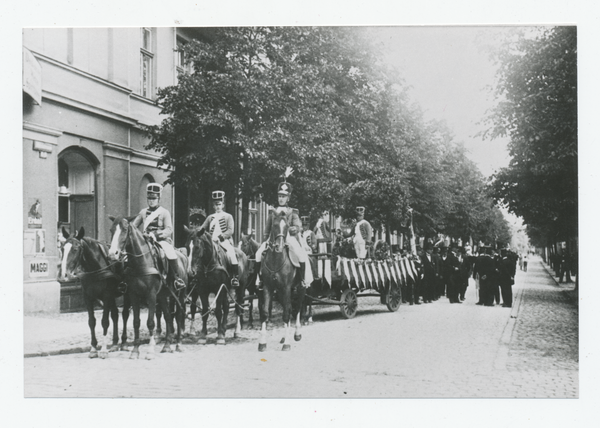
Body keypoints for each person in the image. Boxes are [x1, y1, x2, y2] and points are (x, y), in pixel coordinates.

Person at [254, 177, 313, 288]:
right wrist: (264, 242)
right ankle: (260, 279)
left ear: (288, 198)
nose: (281, 199)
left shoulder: (293, 212)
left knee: (301, 255)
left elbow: (298, 226)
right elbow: (267, 230)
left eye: (283, 196)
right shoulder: (273, 212)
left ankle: (302, 280)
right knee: (258, 254)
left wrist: (293, 229)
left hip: (289, 238)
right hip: (274, 238)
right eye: (279, 196)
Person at [132, 183, 185, 290]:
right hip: (145, 241)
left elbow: (169, 229)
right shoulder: (143, 212)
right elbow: (133, 226)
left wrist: (155, 235)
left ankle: (176, 279)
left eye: (154, 198)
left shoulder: (164, 212)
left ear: (158, 198)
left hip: (161, 241)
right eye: (149, 198)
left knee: (169, 253)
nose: (151, 201)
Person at [198, 191, 239, 286]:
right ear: (213, 206)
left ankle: (234, 277)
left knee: (231, 254)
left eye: (219, 204)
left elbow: (230, 230)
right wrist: (198, 232)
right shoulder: (210, 217)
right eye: (216, 205)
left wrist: (221, 237)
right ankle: (197, 276)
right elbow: (203, 228)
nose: (217, 206)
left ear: (223, 205)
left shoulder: (228, 216)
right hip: (212, 242)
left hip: (224, 241)